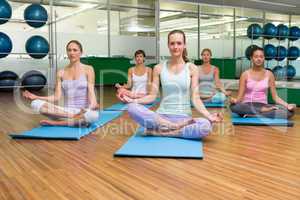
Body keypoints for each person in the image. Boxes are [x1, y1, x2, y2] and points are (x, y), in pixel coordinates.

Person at [123, 30, 222, 139]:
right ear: (168, 45)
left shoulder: (192, 68)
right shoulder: (158, 68)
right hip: (161, 117)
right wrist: (133, 101)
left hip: (183, 118)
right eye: (172, 43)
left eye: (179, 43)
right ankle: (174, 127)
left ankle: (163, 133)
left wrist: (208, 115)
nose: (175, 47)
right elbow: (152, 96)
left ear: (184, 45)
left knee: (205, 125)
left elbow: (195, 98)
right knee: (132, 107)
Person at [22, 40, 99, 126]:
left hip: (84, 110)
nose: (71, 53)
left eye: (75, 50)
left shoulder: (88, 69)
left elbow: (91, 93)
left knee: (93, 115)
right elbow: (56, 97)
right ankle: (73, 117)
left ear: (81, 52)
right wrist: (36, 96)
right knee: (35, 104)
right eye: (69, 50)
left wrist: (90, 107)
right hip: (66, 112)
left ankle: (57, 123)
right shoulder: (61, 72)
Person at [230, 46, 295, 119]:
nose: (259, 59)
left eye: (261, 57)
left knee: (289, 112)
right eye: (256, 57)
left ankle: (253, 115)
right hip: (247, 105)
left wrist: (287, 105)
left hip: (263, 105)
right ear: (251, 58)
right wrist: (234, 100)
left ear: (264, 58)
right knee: (234, 107)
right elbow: (239, 97)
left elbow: (275, 97)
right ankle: (262, 112)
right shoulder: (245, 74)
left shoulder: (269, 74)